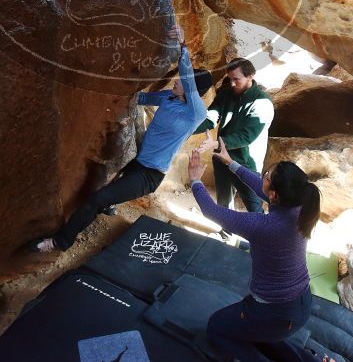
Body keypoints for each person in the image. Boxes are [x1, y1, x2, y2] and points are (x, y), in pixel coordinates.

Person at [29, 25, 213, 252]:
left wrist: (183, 47)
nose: (177, 80)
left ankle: (60, 241)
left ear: (193, 89)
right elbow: (141, 97)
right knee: (105, 186)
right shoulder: (169, 98)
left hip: (149, 175)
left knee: (98, 198)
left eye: (184, 81)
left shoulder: (195, 113)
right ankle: (109, 205)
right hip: (136, 161)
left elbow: (188, 77)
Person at [187, 138, 321, 362]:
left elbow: (212, 211)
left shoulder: (264, 226)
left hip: (274, 313)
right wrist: (230, 162)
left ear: (275, 195)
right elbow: (262, 189)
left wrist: (195, 181)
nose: (264, 176)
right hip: (298, 305)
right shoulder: (301, 205)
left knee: (216, 329)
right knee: (265, 336)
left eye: (267, 175)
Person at [195, 58, 274, 214]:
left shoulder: (262, 103)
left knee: (253, 206)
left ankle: (260, 237)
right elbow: (211, 118)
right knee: (223, 201)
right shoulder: (226, 94)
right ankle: (225, 235)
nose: (231, 83)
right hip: (221, 158)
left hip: (245, 164)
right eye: (230, 78)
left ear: (251, 75)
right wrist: (187, 128)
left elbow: (246, 137)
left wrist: (216, 144)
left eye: (236, 79)